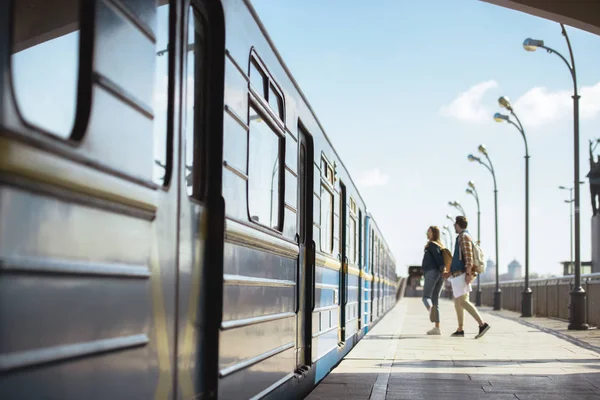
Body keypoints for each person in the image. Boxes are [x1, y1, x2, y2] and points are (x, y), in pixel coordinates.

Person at [447, 216, 491, 338]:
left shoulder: (464, 237)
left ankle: (482, 324)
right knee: (458, 302)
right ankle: (460, 329)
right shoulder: (461, 237)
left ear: (458, 224)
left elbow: (469, 257)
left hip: (462, 273)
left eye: (455, 224)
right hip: (458, 274)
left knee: (463, 301)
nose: (454, 226)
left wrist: (467, 273)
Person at [421, 226, 446, 335]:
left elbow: (438, 259)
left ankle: (432, 313)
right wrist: (442, 271)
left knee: (426, 297)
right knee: (435, 300)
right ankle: (437, 328)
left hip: (432, 272)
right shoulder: (440, 246)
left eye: (430, 231)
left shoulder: (432, 245)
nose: (427, 232)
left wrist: (441, 268)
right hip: (440, 274)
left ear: (434, 234)